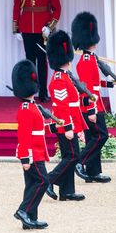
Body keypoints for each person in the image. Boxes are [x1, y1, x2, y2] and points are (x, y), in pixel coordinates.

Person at [12, 0, 61, 103]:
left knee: (42, 61)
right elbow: (16, 5)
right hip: (26, 27)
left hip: (43, 29)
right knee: (29, 61)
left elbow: (57, 8)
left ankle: (43, 92)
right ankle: (29, 92)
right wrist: (16, 28)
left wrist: (49, 26)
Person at [45, 30, 87, 201]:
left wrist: (78, 127)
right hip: (65, 125)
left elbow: (73, 105)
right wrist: (69, 128)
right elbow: (62, 108)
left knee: (70, 156)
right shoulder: (59, 79)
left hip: (70, 123)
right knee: (72, 157)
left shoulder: (64, 76)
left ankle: (67, 191)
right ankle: (49, 180)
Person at [72, 12, 113, 183]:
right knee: (101, 136)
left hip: (95, 103)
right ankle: (80, 161)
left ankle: (93, 172)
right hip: (92, 105)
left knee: (93, 137)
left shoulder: (90, 59)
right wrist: (91, 110)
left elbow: (94, 84)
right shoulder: (87, 61)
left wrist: (109, 84)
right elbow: (86, 89)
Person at [11, 60, 53, 230]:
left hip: (37, 151)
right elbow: (24, 136)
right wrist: (25, 158)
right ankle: (23, 210)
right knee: (43, 181)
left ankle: (30, 218)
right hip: (32, 153)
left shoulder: (32, 106)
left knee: (31, 184)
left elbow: (38, 130)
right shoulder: (26, 109)